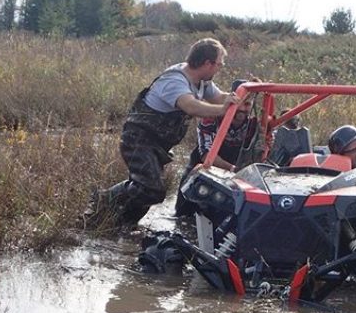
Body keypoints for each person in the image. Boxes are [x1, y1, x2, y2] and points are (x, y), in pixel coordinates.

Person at [83, 38, 239, 229]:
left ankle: (121, 226)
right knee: (152, 190)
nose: (220, 68)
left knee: (146, 192)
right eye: (220, 64)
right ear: (208, 63)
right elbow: (190, 106)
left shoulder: (201, 81)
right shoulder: (174, 81)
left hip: (157, 145)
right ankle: (104, 199)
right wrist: (222, 110)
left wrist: (242, 94)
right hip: (139, 140)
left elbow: (219, 97)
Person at [174, 79, 258, 216]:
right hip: (208, 160)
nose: (243, 108)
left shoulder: (256, 123)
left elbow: (265, 149)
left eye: (248, 104)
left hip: (238, 161)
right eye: (240, 103)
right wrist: (234, 169)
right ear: (231, 100)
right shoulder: (211, 118)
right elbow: (206, 154)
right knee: (185, 202)